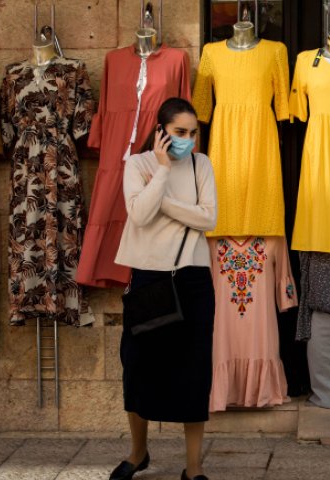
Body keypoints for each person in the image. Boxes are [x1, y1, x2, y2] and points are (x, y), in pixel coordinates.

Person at [111, 97, 217, 480]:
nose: (188, 139)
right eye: (179, 132)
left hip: (192, 278)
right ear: (160, 132)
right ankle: (138, 453)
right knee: (138, 368)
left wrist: (163, 202)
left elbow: (209, 217)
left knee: (193, 372)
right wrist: (160, 170)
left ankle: (194, 467)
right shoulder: (137, 165)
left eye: (193, 132)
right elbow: (138, 213)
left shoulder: (201, 164)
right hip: (149, 278)